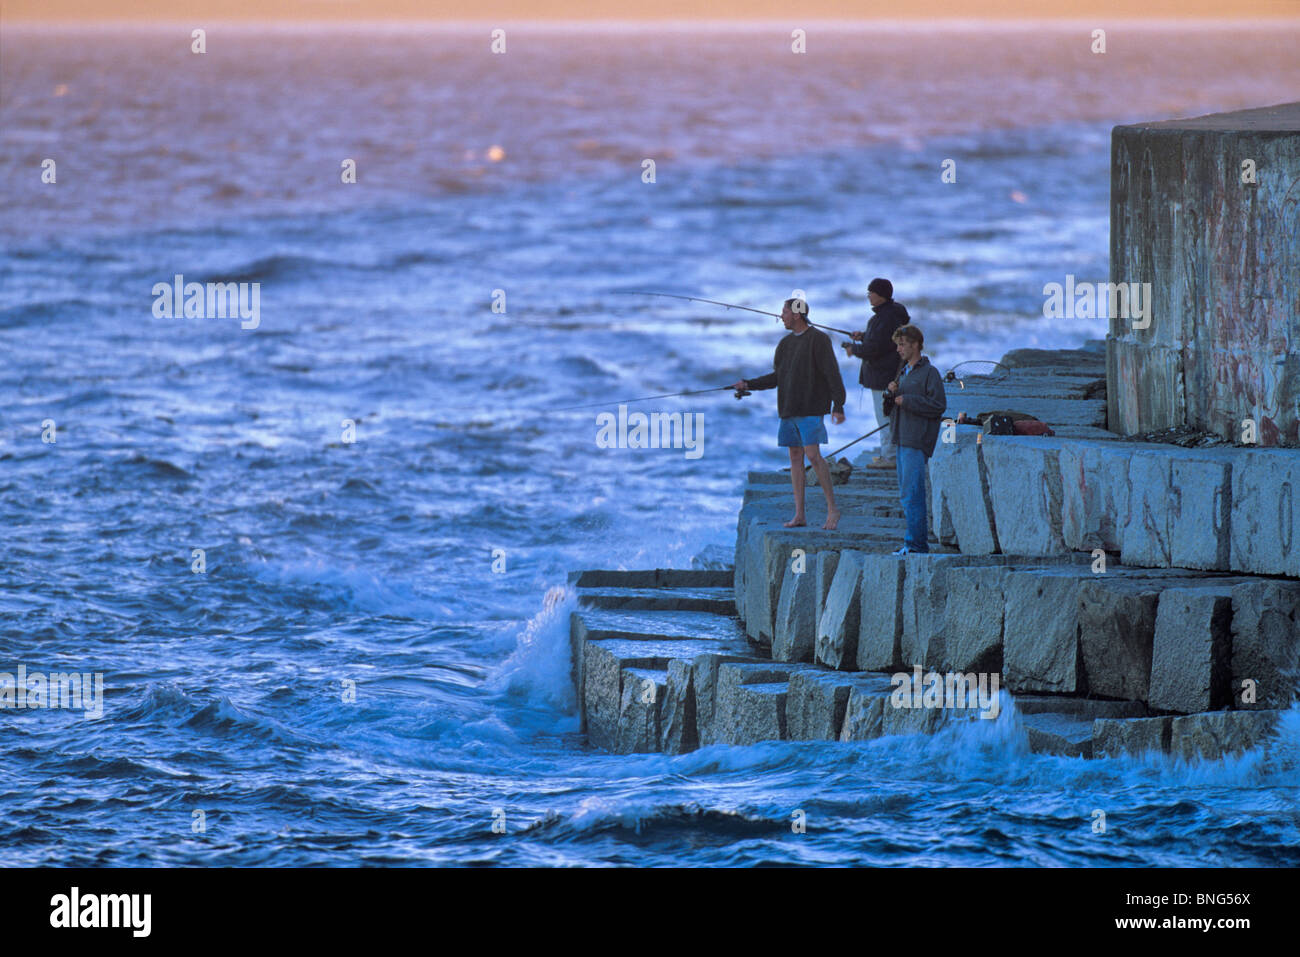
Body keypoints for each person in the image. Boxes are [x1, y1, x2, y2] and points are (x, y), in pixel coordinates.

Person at [730, 299, 846, 530]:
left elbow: (833, 373)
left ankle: (833, 509)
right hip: (788, 409)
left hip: (811, 408)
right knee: (795, 457)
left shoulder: (819, 340)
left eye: (784, 312)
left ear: (796, 314)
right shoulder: (784, 345)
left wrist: (838, 405)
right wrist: (748, 384)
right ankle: (799, 514)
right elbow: (776, 378)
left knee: (813, 455)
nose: (780, 316)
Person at [884, 323, 946, 555]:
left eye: (902, 345)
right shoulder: (903, 372)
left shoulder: (930, 373)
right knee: (905, 493)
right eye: (897, 345)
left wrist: (906, 400)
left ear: (916, 344)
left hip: (916, 439)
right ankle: (912, 543)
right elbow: (889, 407)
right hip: (901, 437)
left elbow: (938, 406)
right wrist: (890, 394)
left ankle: (916, 545)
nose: (898, 349)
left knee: (913, 493)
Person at [842, 278, 911, 468]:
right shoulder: (892, 314)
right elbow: (884, 340)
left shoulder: (884, 317)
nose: (868, 296)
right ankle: (892, 454)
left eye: (871, 293)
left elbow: (874, 348)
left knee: (884, 417)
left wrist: (853, 349)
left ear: (881, 295)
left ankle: (889, 458)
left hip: (883, 377)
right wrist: (863, 336)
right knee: (891, 416)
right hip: (891, 373)